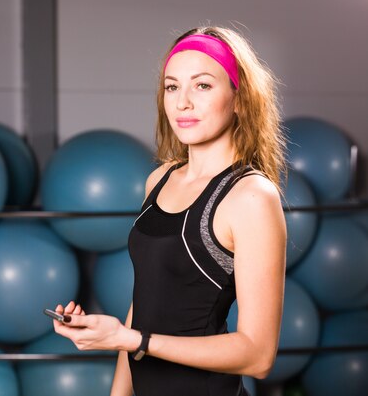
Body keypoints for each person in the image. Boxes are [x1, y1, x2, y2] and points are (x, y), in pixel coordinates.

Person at [51, 25, 287, 396]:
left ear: (240, 98)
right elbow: (145, 300)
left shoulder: (251, 196)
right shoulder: (160, 179)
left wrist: (132, 340)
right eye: (172, 86)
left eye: (203, 85)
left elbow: (258, 356)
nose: (182, 103)